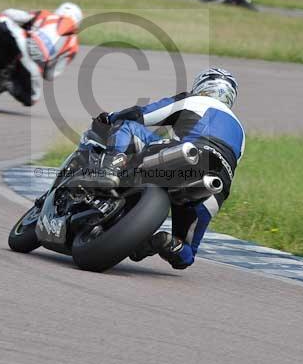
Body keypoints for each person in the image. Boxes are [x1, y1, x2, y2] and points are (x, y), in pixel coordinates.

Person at [90, 67, 245, 270]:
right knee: (186, 254)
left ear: (202, 86)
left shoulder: (193, 100)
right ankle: (166, 243)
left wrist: (110, 117)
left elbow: (142, 115)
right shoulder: (241, 131)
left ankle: (109, 171)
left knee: (127, 126)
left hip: (186, 154)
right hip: (215, 187)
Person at [0, 3, 82, 106]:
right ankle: (8, 83)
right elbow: (50, 75)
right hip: (32, 66)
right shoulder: (73, 45)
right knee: (32, 99)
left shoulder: (45, 15)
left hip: (18, 38)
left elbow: (12, 14)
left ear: (58, 10)